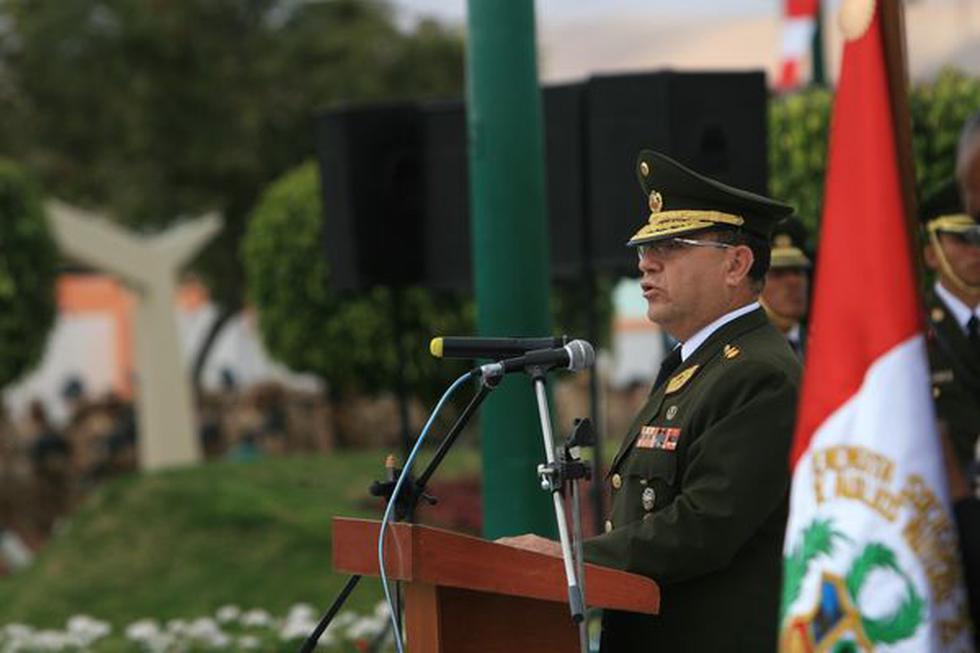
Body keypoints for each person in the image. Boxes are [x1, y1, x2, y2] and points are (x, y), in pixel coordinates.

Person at [499, 150, 801, 651]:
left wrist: (570, 560)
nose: (646, 262)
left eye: (671, 245)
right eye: (644, 247)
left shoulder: (758, 374)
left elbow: (703, 527)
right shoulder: (698, 365)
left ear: (736, 263)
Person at [920, 178, 980, 475]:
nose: (976, 249)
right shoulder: (911, 329)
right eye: (963, 239)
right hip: (944, 497)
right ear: (932, 254)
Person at [760, 216, 811, 357]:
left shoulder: (822, 345)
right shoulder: (742, 348)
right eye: (778, 273)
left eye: (798, 271)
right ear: (756, 282)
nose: (793, 282)